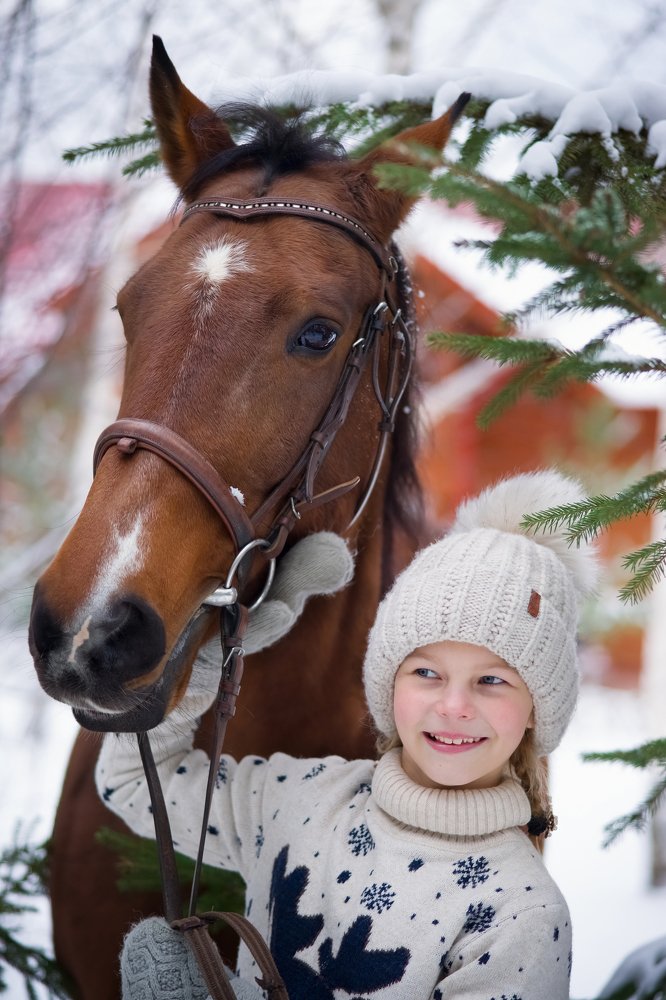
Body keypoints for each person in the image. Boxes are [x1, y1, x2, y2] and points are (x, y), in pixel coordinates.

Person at [96, 468, 597, 1000]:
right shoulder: (298, 800)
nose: (454, 706)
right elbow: (129, 781)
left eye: (492, 681)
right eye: (426, 672)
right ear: (389, 682)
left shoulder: (521, 912)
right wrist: (196, 676)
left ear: (537, 709)